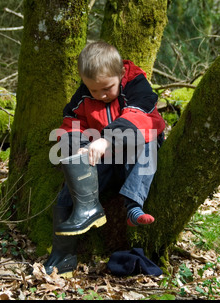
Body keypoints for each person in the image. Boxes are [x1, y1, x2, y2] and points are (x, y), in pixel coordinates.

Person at [43, 41, 165, 277]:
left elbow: (140, 117)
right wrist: (77, 148)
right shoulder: (83, 97)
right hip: (105, 155)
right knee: (71, 179)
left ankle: (133, 205)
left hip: (137, 149)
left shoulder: (137, 85)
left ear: (120, 73)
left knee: (148, 137)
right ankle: (63, 254)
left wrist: (107, 139)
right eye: (93, 90)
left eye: (107, 88)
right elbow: (70, 124)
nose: (101, 95)